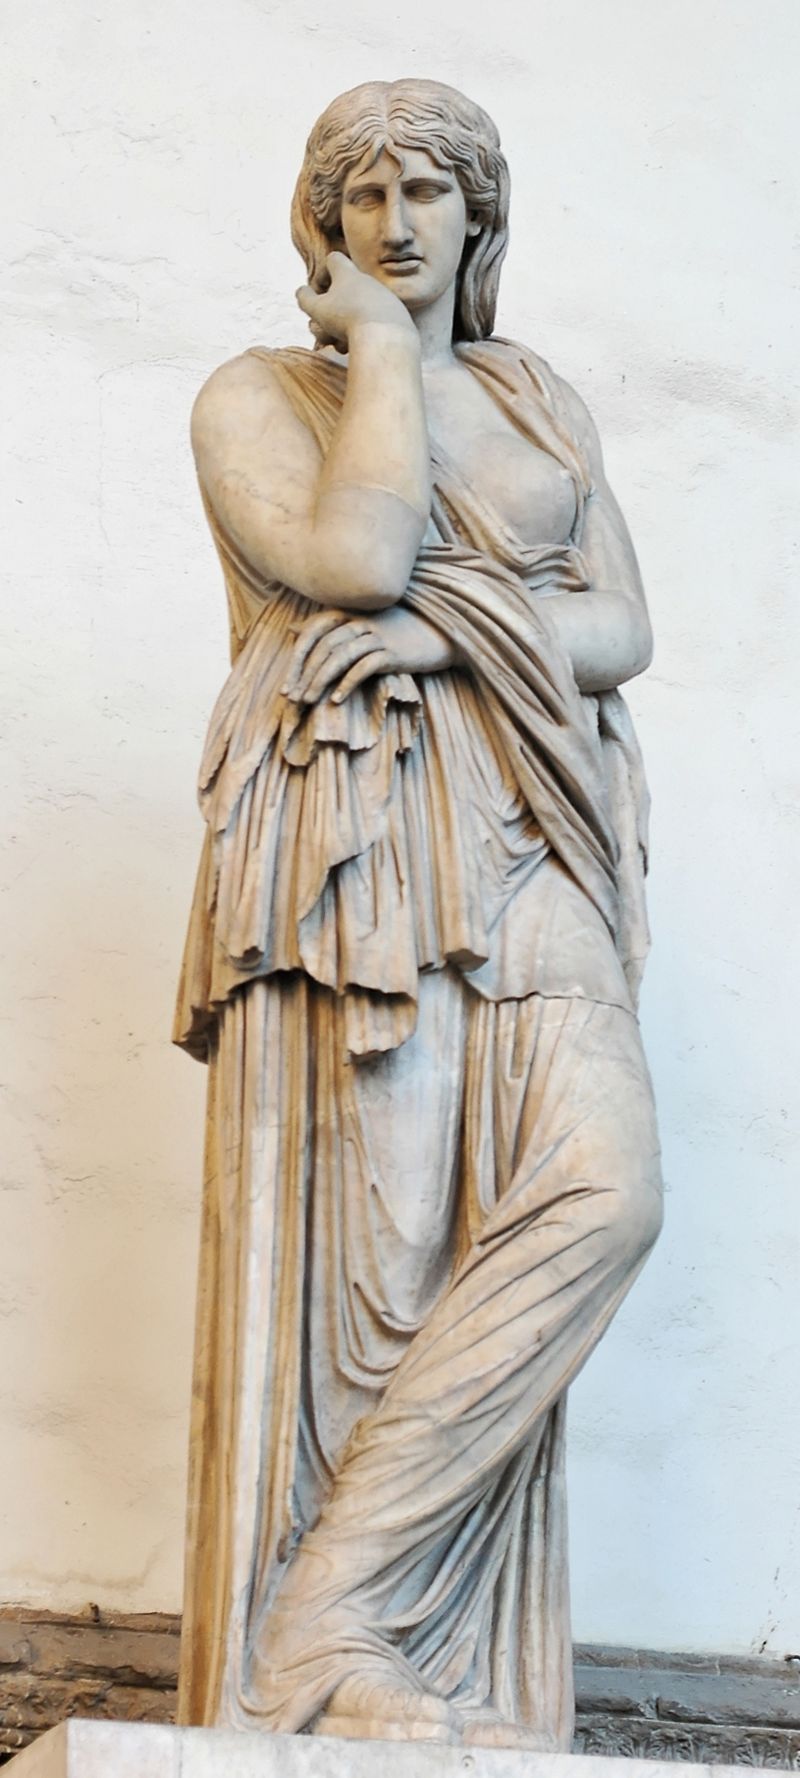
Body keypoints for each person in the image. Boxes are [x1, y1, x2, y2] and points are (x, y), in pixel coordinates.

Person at [173, 78, 663, 1751]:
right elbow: (357, 558)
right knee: (384, 1267)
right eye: (363, 195)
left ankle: (333, 1605)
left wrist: (459, 632)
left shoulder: (536, 398)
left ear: (479, 217)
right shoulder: (257, 397)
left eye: (430, 192)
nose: (397, 222)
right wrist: (383, 354)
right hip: (362, 845)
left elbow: (622, 628)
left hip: (538, 828)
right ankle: (337, 1648)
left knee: (605, 1192)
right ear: (322, 226)